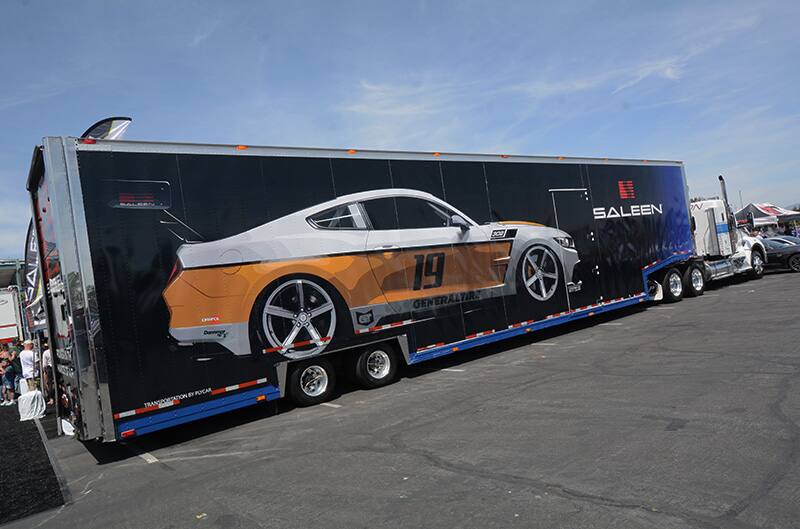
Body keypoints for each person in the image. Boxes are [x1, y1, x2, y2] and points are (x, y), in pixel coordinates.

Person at [41, 340, 53, 405]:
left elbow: (44, 365)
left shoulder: (45, 352)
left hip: (49, 369)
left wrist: (44, 372)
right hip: (55, 367)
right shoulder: (55, 350)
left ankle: (51, 399)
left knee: (49, 383)